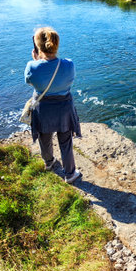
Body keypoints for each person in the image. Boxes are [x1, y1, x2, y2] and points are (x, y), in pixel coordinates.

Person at [24, 26, 82, 184]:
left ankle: (49, 162)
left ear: (37, 47)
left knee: (44, 137)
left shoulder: (32, 66)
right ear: (56, 44)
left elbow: (29, 81)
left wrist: (37, 61)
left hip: (43, 109)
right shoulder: (69, 64)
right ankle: (70, 174)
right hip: (64, 108)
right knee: (66, 141)